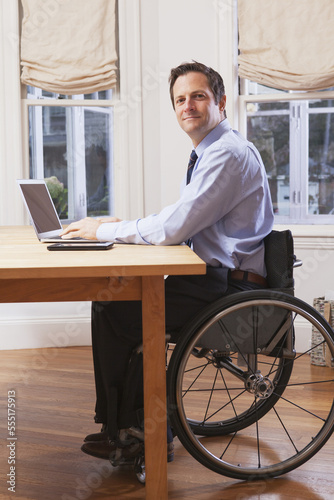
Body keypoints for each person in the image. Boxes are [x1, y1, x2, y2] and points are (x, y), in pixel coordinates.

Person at [61, 61, 274, 463]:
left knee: (115, 306)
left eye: (198, 96)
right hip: (214, 276)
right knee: (116, 300)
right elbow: (181, 217)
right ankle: (126, 427)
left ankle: (136, 430)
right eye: (180, 99)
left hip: (229, 285)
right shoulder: (207, 152)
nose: (187, 106)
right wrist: (119, 224)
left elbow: (174, 227)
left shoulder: (226, 154)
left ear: (221, 102)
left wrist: (103, 232)